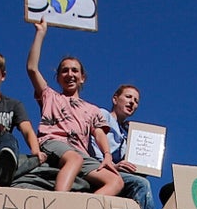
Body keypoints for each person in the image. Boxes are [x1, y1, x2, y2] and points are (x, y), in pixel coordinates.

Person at [21, 20, 125, 198]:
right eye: (65, 71)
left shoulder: (92, 109)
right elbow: (32, 68)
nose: (70, 74)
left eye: (75, 71)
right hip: (54, 142)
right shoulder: (50, 96)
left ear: (82, 78)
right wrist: (40, 33)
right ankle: (59, 203)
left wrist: (107, 155)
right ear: (58, 77)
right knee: (73, 159)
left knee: (116, 181)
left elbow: (99, 133)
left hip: (81, 154)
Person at [104, 83, 162, 209]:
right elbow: (93, 145)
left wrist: (132, 137)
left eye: (136, 101)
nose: (132, 102)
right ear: (115, 99)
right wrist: (112, 166)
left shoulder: (125, 132)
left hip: (117, 172)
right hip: (101, 168)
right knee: (142, 184)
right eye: (128, 97)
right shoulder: (104, 116)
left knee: (141, 181)